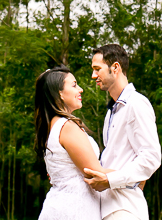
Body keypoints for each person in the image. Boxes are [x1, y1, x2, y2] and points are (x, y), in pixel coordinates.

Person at [84, 44, 161, 220]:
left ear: (115, 67)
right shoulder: (111, 112)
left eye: (97, 69)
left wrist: (111, 180)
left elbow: (151, 157)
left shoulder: (136, 103)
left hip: (125, 210)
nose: (93, 76)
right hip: (107, 208)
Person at [35, 65, 111, 220]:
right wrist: (136, 174)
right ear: (60, 94)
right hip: (73, 209)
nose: (81, 89)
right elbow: (95, 173)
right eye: (74, 85)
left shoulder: (53, 125)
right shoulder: (67, 126)